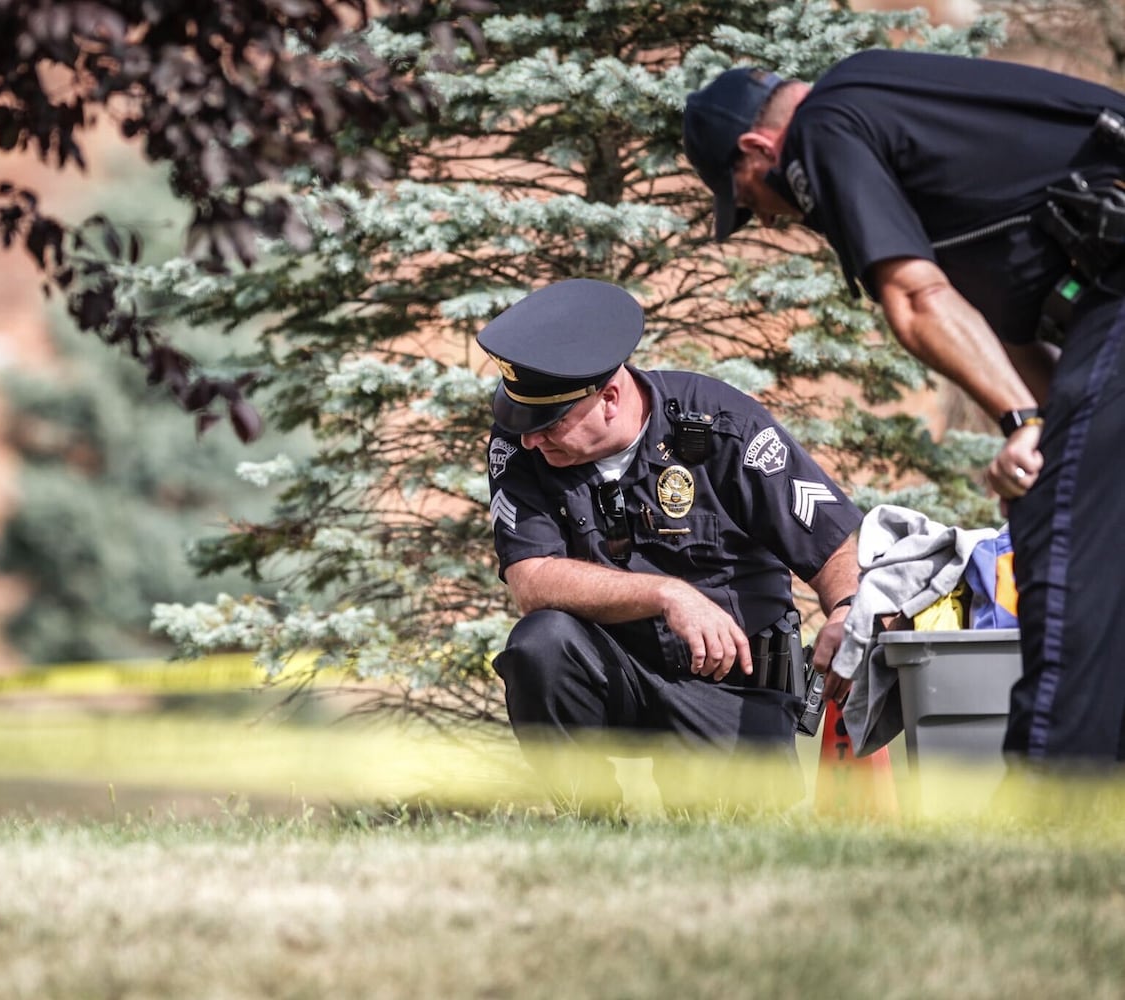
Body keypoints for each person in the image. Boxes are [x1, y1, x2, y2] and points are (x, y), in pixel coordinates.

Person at [682, 50, 1125, 766]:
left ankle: (1053, 819)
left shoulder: (827, 123)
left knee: (1059, 537)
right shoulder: (903, 124)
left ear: (758, 148)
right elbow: (1006, 327)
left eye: (749, 200)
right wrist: (1048, 426)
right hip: (1102, 300)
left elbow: (916, 299)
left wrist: (1026, 427)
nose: (768, 219)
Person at [478, 278, 862, 809]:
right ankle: (588, 826)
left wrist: (845, 610)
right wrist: (667, 593)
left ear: (609, 398)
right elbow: (531, 578)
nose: (530, 440)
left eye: (551, 423)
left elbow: (831, 539)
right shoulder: (522, 447)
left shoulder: (721, 423)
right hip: (614, 668)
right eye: (523, 423)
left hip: (735, 677)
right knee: (540, 645)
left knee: (733, 848)